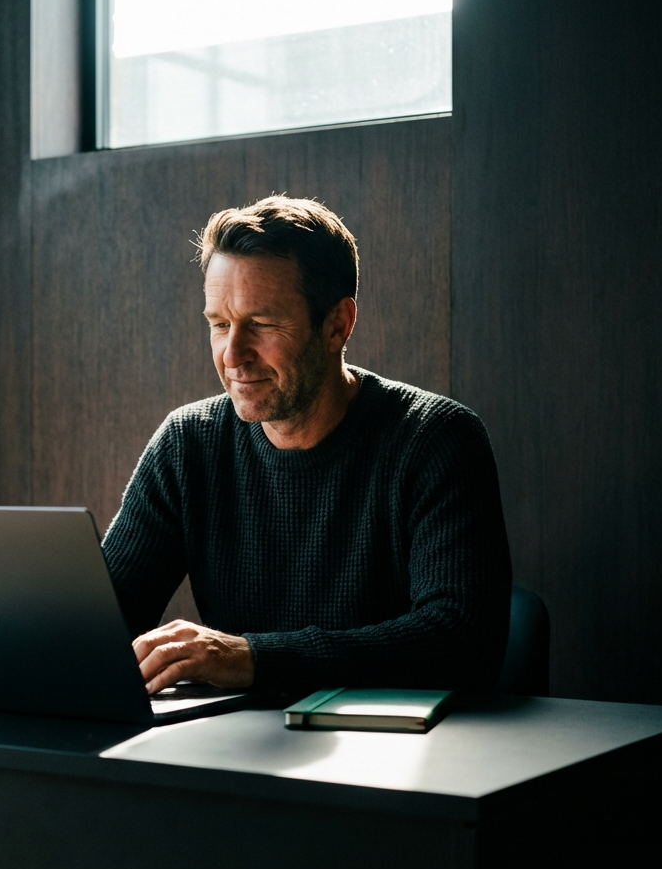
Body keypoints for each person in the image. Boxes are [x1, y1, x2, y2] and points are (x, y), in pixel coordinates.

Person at [102, 196, 511, 696]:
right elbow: (101, 624)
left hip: (392, 758)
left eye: (262, 324)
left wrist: (253, 659)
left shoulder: (435, 440)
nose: (232, 354)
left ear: (338, 324)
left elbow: (461, 643)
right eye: (219, 324)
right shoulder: (188, 444)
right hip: (230, 754)